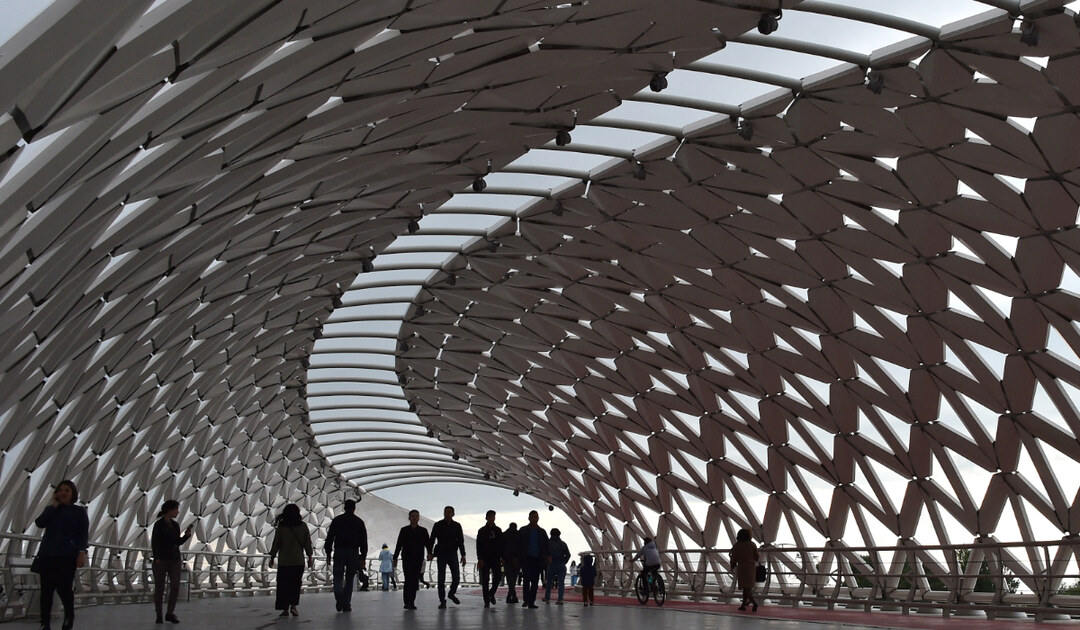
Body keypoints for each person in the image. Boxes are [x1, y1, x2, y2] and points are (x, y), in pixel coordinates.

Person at [34, 480, 88, 630]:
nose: (63, 493)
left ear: (73, 494)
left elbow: (83, 534)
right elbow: (39, 523)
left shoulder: (79, 512)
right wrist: (53, 506)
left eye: (67, 490)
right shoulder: (51, 509)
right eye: (60, 490)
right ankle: (45, 623)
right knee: (46, 590)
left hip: (67, 556)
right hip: (47, 555)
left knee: (64, 589)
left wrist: (81, 552)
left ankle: (69, 617)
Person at [150, 500, 194, 624]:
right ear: (169, 510)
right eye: (176, 509)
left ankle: (170, 613)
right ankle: (159, 614)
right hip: (161, 560)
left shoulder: (175, 525)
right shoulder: (159, 525)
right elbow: (155, 542)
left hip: (174, 559)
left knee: (175, 586)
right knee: (160, 588)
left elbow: (177, 542)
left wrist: (186, 536)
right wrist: (157, 557)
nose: (177, 511)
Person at [268, 504, 314, 617]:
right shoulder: (303, 526)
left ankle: (284, 609)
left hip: (284, 562)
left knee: (283, 585)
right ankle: (293, 606)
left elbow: (276, 543)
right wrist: (310, 557)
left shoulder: (282, 527)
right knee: (295, 584)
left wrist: (272, 557)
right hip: (298, 561)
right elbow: (307, 543)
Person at [324, 499, 367, 612]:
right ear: (354, 508)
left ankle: (339, 597)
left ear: (344, 507)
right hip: (353, 552)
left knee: (337, 576)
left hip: (339, 551)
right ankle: (346, 603)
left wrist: (328, 553)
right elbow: (363, 541)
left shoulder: (337, 520)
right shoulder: (359, 522)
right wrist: (363, 557)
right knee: (349, 578)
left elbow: (330, 537)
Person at [427, 505, 466, 608]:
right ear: (444, 513)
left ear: (453, 514)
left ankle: (451, 593)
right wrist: (429, 552)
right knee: (441, 578)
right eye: (446, 512)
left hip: (453, 553)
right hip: (441, 554)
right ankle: (442, 600)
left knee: (456, 577)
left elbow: (461, 541)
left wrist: (463, 555)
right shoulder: (438, 525)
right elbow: (432, 539)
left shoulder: (457, 526)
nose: (447, 514)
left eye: (449, 512)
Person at [393, 509, 430, 610]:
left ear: (418, 518)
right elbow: (399, 544)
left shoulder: (423, 531)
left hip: (418, 558)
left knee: (414, 581)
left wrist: (430, 553)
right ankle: (407, 602)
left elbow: (428, 544)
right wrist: (395, 557)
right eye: (412, 516)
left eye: (416, 516)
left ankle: (411, 601)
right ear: (409, 518)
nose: (414, 517)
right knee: (408, 579)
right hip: (407, 558)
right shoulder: (404, 530)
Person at [516, 510, 549, 609]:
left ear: (538, 518)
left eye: (536, 517)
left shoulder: (542, 532)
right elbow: (518, 544)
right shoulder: (523, 531)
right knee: (526, 580)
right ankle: (526, 600)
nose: (534, 519)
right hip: (526, 559)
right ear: (529, 518)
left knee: (534, 582)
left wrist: (546, 557)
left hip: (537, 560)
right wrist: (518, 557)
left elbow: (546, 546)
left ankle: (531, 601)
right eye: (533, 517)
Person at [475, 510, 503, 608]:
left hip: (496, 558)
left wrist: (502, 557)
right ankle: (486, 600)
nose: (491, 518)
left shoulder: (498, 530)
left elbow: (501, 545)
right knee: (485, 580)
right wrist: (480, 558)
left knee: (498, 577)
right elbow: (479, 545)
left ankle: (491, 593)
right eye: (490, 516)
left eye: (493, 516)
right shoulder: (482, 531)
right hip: (485, 558)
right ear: (486, 518)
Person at [730, 529, 760, 612]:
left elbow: (734, 558)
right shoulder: (752, 545)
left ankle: (753, 603)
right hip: (751, 568)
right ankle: (744, 604)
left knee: (745, 587)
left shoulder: (737, 545)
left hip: (742, 567)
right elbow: (757, 557)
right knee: (747, 588)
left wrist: (732, 566)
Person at [543, 528, 571, 604]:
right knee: (561, 583)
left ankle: (547, 598)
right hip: (561, 565)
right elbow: (568, 554)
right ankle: (560, 599)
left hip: (551, 564)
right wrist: (564, 562)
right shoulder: (563, 544)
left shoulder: (548, 543)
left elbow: (544, 554)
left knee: (549, 582)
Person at [502, 522, 520, 604]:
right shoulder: (518, 535)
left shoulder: (504, 535)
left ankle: (511, 596)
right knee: (513, 578)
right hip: (516, 560)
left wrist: (502, 558)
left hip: (507, 559)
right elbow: (520, 547)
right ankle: (512, 596)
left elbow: (501, 548)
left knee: (509, 578)